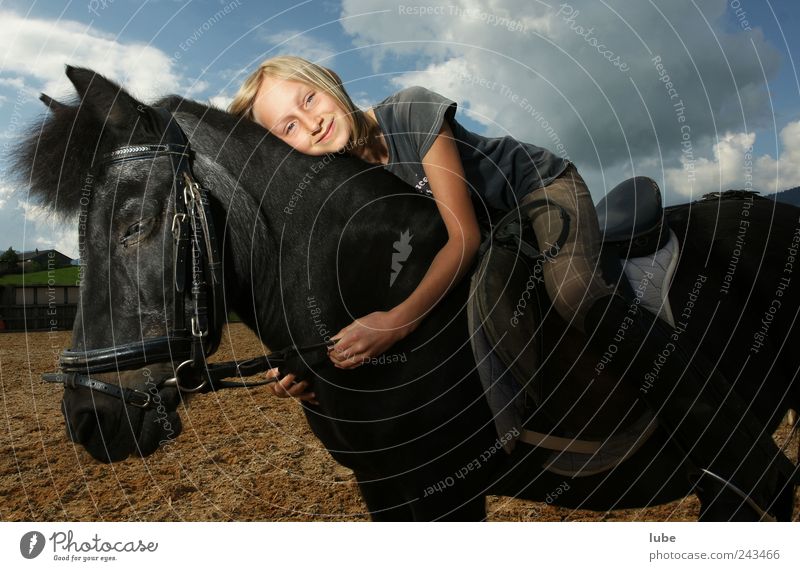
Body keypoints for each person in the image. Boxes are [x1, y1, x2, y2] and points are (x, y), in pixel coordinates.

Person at [229, 55, 795, 519]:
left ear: (327, 82)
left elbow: (463, 238)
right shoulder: (344, 188)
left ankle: (734, 456)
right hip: (501, 235)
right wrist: (315, 371)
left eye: (308, 100)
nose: (311, 122)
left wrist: (395, 322)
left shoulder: (409, 110)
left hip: (537, 196)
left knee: (575, 293)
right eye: (288, 128)